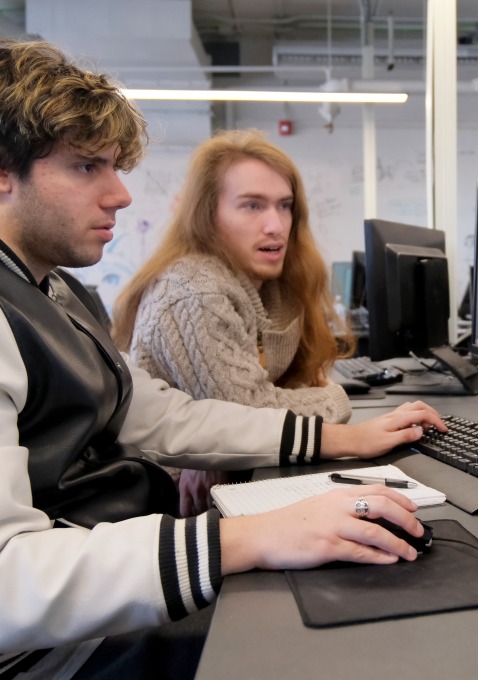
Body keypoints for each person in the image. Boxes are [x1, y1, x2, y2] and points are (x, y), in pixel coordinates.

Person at [0, 38, 446, 679]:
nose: (121, 195)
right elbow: (11, 580)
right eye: (85, 167)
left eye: (115, 166)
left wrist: (340, 440)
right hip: (58, 649)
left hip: (118, 578)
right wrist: (249, 537)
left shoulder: (54, 292)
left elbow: (167, 418)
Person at [111, 129, 354, 515]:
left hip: (225, 482)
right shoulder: (197, 291)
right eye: (252, 206)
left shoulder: (274, 286)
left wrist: (223, 456)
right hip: (165, 503)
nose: (275, 225)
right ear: (208, 216)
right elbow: (251, 412)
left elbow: (279, 393)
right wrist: (336, 397)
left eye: (285, 205)